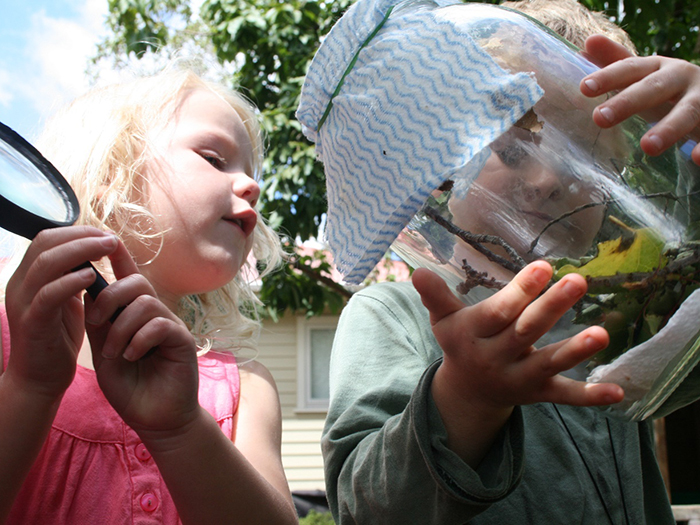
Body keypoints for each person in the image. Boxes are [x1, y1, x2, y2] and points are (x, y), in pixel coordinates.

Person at [302, 0, 700, 523]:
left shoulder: (623, 326)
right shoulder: (392, 315)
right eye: (513, 147)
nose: (547, 180)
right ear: (443, 163)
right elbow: (365, 507)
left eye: (594, 167)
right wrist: (465, 400)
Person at [0, 67, 299, 524]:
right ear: (112, 184)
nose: (252, 186)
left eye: (250, 171)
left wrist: (181, 427)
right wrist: (29, 386)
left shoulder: (248, 389)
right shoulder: (11, 341)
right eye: (215, 159)